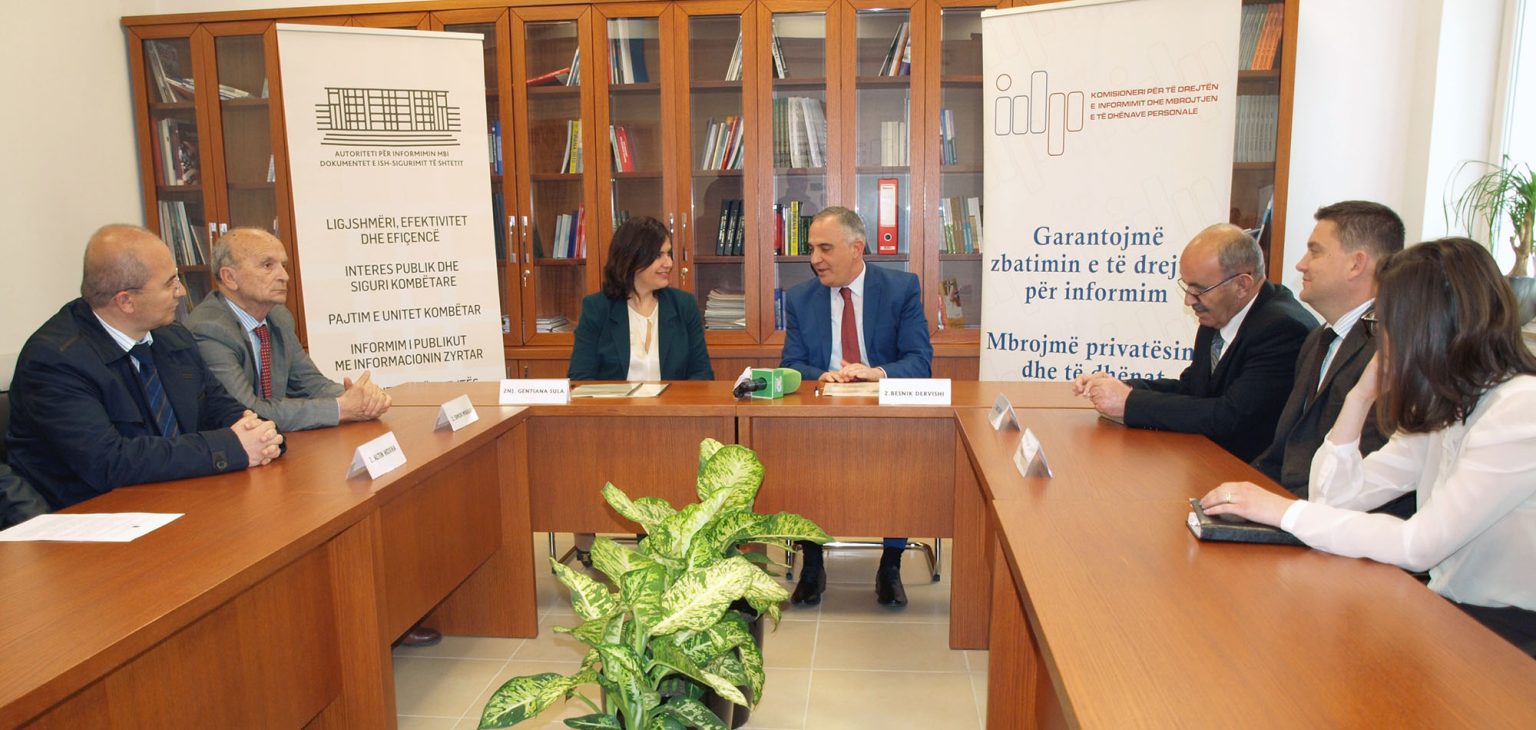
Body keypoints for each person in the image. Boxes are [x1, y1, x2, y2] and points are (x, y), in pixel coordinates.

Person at [1201, 238, 1536, 656]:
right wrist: (1359, 396)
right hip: (1450, 612)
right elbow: (1334, 497)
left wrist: (1282, 511)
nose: (1382, 340)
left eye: (1386, 323)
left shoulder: (1519, 409)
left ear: (1430, 327)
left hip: (1510, 634)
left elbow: (1419, 545)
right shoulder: (1449, 403)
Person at [6, 224, 283, 511]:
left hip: (178, 498)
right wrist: (231, 446)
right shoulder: (54, 361)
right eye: (169, 283)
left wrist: (262, 435)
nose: (180, 291)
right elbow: (108, 462)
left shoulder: (172, 337)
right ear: (126, 301)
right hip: (94, 516)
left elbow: (222, 408)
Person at [780, 206, 933, 608]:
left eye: (825, 248)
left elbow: (920, 361)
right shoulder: (801, 298)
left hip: (885, 411)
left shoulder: (901, 289)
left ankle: (891, 564)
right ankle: (813, 562)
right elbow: (791, 364)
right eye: (812, 248)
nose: (815, 259)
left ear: (857, 248)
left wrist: (876, 373)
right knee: (801, 457)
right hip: (822, 413)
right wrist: (821, 376)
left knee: (900, 462)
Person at [1073, 224, 1315, 461]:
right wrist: (1125, 388)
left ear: (1242, 285)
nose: (1189, 300)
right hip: (1209, 460)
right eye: (1187, 287)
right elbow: (1193, 389)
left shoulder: (1282, 329)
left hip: (1250, 473)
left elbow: (1230, 417)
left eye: (1199, 290)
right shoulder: (1219, 314)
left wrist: (1128, 402)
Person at [1251, 201, 1413, 518]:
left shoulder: (1392, 347)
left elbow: (1366, 471)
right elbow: (1286, 450)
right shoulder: (1318, 338)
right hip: (1295, 511)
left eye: (1315, 252)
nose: (1301, 265)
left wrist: (1279, 514)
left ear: (1356, 264)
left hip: (1340, 523)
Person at [567, 216, 713, 566]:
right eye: (659, 255)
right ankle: (593, 537)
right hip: (612, 426)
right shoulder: (598, 308)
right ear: (632, 259)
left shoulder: (682, 306)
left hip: (671, 426)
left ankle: (659, 541)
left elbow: (702, 375)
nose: (669, 263)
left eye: (668, 253)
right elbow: (580, 377)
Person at [186, 228, 391, 432]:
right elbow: (246, 412)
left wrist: (363, 397)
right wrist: (341, 408)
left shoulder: (278, 317)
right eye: (268, 265)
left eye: (283, 266)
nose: (284, 276)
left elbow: (311, 384)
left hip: (272, 442)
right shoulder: (210, 329)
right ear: (229, 277)